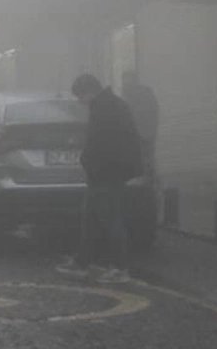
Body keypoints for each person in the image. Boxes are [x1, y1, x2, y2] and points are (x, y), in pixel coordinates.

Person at [56, 74, 143, 283]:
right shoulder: (111, 104)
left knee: (110, 219)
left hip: (107, 172)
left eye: (80, 96)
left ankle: (120, 268)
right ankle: (82, 262)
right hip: (105, 172)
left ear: (88, 92)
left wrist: (88, 160)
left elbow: (102, 143)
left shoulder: (104, 108)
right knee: (91, 218)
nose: (80, 102)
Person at [121, 70, 159, 180]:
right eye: (125, 80)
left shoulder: (142, 94)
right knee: (145, 159)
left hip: (143, 133)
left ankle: (150, 183)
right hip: (140, 134)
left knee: (147, 159)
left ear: (134, 80)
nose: (126, 83)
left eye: (128, 80)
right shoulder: (128, 94)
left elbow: (151, 112)